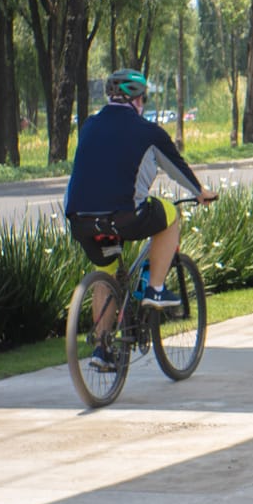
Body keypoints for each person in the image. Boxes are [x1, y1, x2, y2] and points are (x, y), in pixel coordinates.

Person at [64, 69, 216, 318]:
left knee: (107, 276)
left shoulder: (89, 126)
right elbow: (177, 169)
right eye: (143, 98)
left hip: (81, 221)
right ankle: (155, 289)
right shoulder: (149, 132)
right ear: (136, 100)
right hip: (126, 216)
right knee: (170, 214)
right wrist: (200, 192)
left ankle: (102, 349)